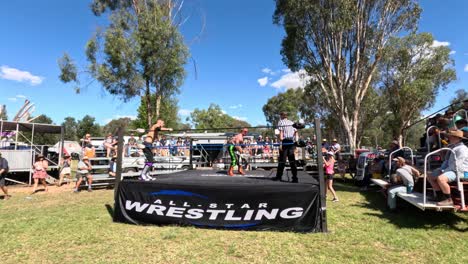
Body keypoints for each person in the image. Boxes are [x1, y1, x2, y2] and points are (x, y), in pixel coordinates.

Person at [427, 130, 468, 206]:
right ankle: (440, 197)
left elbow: (457, 164)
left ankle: (449, 200)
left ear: (456, 138)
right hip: (452, 169)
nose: (448, 138)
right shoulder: (452, 147)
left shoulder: (463, 149)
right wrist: (441, 168)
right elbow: (447, 161)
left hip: (462, 172)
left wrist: (444, 171)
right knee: (430, 176)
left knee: (441, 178)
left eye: (450, 136)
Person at [272, 112, 298, 183]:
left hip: (285, 141)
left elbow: (281, 136)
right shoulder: (292, 122)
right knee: (292, 160)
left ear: (281, 116)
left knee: (282, 160)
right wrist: (295, 143)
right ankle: (295, 178)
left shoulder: (281, 122)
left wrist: (280, 144)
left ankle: (278, 177)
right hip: (291, 142)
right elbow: (296, 133)